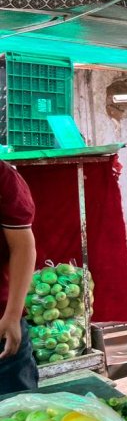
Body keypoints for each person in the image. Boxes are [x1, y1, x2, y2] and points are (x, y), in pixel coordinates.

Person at [0, 161, 38, 394]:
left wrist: (12, 315)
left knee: (19, 415)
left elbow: (22, 247)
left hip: (2, 322)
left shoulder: (3, 178)